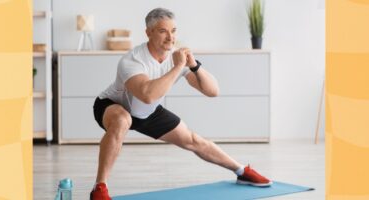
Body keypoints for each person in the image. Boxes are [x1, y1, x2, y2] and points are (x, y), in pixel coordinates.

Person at [90, 7, 272, 200]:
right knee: (122, 119)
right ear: (148, 32)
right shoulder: (133, 60)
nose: (170, 37)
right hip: (113, 105)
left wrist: (194, 66)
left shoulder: (177, 57)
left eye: (174, 31)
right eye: (163, 31)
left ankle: (241, 171)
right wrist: (178, 66)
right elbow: (148, 95)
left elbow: (213, 91)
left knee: (193, 140)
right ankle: (99, 188)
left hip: (147, 112)